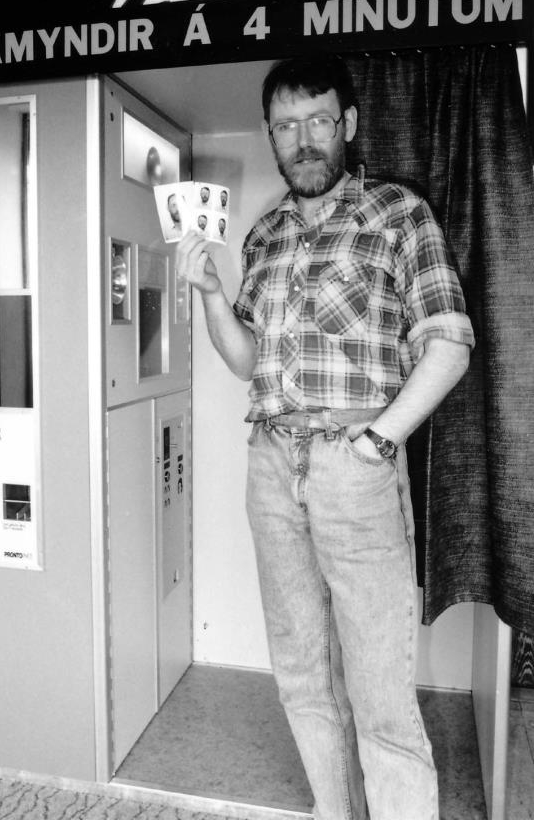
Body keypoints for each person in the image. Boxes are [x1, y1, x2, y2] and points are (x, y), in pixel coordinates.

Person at [176, 54, 474, 820]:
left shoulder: (398, 214)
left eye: (317, 120)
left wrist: (378, 441)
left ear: (346, 123)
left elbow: (448, 343)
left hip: (354, 466)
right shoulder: (265, 234)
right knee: (302, 676)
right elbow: (248, 360)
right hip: (270, 465)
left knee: (380, 694)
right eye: (286, 126)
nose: (303, 139)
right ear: (270, 136)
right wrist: (210, 297)